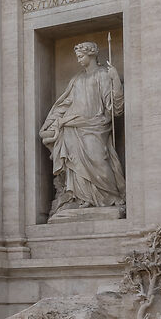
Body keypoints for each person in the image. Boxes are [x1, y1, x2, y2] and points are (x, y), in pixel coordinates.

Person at [40, 41, 127, 213]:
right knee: (76, 164)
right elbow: (64, 104)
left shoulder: (103, 75)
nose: (79, 60)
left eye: (81, 56)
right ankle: (83, 198)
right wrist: (51, 122)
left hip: (96, 126)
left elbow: (114, 108)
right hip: (73, 127)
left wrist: (115, 79)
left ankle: (111, 196)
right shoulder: (77, 79)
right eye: (77, 57)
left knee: (99, 160)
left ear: (91, 54)